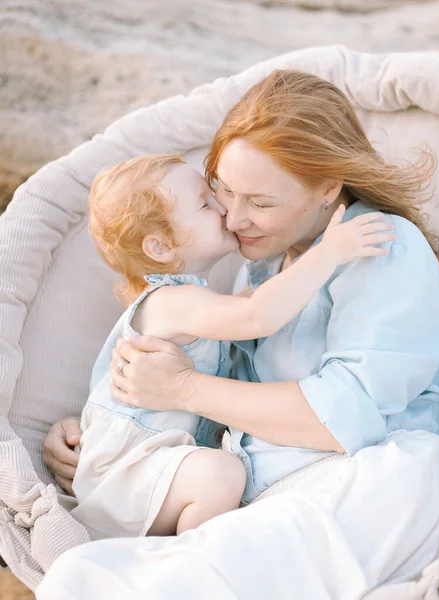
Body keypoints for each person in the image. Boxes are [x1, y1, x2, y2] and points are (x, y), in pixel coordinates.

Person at [38, 70, 439, 599]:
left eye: (259, 201)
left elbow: (343, 415)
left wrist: (180, 388)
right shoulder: (263, 262)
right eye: (223, 192)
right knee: (83, 575)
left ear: (328, 186)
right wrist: (105, 430)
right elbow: (216, 376)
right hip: (260, 485)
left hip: (368, 472)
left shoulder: (380, 248)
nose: (233, 218)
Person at [73, 152, 390, 540]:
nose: (225, 209)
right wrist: (328, 253)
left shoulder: (200, 302)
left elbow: (256, 306)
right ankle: (187, 562)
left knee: (218, 472)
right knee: (220, 473)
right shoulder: (172, 302)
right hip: (127, 473)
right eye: (206, 204)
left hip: (158, 469)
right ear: (160, 247)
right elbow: (258, 315)